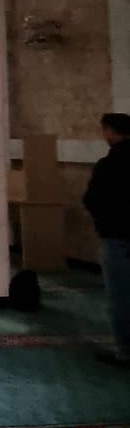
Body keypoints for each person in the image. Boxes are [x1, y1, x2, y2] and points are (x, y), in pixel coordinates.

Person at [83, 111, 130, 366]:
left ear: (110, 131)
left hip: (116, 237)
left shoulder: (108, 165)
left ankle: (125, 351)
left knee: (121, 296)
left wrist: (104, 222)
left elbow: (92, 200)